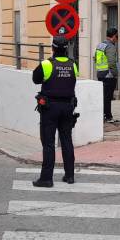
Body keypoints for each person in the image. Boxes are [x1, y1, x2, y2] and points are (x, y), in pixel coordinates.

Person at [32, 35, 78, 187]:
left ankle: (46, 178)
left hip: (50, 108)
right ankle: (70, 175)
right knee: (67, 141)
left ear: (52, 48)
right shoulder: (73, 64)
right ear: (67, 49)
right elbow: (73, 80)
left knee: (49, 143)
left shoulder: (47, 64)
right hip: (68, 108)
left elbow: (35, 79)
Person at [95, 27, 119, 123]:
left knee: (103, 96)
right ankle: (108, 116)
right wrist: (115, 74)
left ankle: (103, 115)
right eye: (117, 36)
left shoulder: (100, 45)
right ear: (113, 36)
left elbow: (95, 58)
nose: (117, 38)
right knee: (108, 97)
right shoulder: (110, 46)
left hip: (100, 73)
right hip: (108, 75)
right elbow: (112, 62)